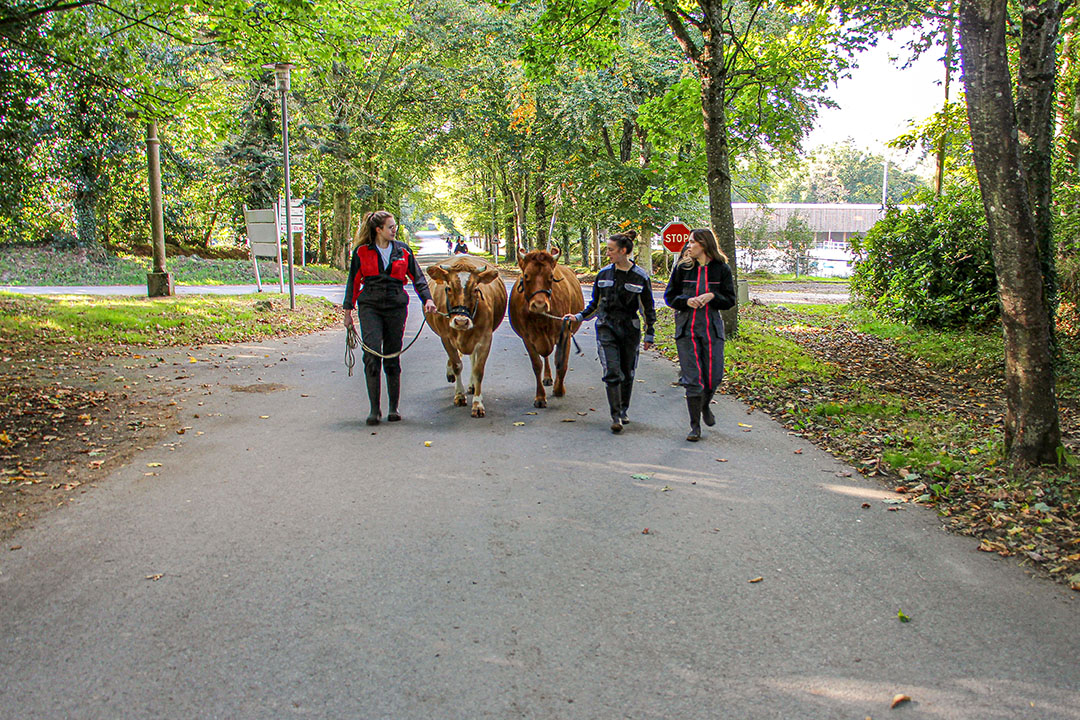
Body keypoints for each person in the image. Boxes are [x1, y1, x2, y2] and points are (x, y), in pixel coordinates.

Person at [343, 211, 438, 425]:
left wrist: (428, 300)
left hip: (396, 306)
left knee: (392, 355)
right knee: (372, 354)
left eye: (394, 226)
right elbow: (353, 282)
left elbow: (418, 278)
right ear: (379, 230)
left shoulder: (403, 251)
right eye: (390, 227)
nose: (394, 229)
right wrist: (348, 312)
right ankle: (374, 410)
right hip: (370, 307)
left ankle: (393, 408)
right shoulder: (362, 253)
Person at [565, 230, 655, 434]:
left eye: (611, 250)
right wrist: (578, 317)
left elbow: (647, 309)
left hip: (629, 329)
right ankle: (615, 416)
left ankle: (624, 409)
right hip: (606, 328)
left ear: (624, 251)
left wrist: (650, 334)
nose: (608, 254)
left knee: (627, 372)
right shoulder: (603, 274)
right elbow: (594, 305)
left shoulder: (640, 277)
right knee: (612, 371)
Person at [663, 228, 736, 441]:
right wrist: (686, 301)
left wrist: (712, 295)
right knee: (693, 379)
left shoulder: (721, 269)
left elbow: (730, 299)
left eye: (692, 242)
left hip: (711, 329)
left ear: (704, 244)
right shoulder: (682, 268)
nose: (688, 246)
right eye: (688, 242)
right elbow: (669, 296)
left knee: (714, 377)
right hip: (686, 330)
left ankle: (704, 406)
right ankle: (694, 426)